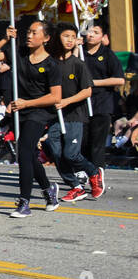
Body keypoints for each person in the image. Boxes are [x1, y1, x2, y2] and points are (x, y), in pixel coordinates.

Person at [0, 19, 62, 218]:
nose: (29, 35)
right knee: (28, 154)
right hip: (20, 110)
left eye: (35, 33)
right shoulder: (18, 54)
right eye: (28, 31)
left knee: (24, 151)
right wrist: (4, 39)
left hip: (39, 111)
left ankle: (24, 201)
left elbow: (55, 97)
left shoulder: (52, 64)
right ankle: (48, 191)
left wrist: (27, 103)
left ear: (46, 38)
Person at [45, 24, 102, 203]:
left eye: (72, 36)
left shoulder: (78, 64)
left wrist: (67, 101)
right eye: (65, 36)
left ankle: (93, 172)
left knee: (71, 154)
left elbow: (87, 91)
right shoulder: (50, 62)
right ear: (57, 38)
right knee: (56, 153)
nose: (69, 40)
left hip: (74, 115)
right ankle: (76, 186)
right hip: (55, 115)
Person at [82, 19, 122, 177]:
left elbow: (119, 79)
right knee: (83, 141)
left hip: (102, 103)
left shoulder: (107, 54)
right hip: (82, 103)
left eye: (95, 33)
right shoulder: (79, 51)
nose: (91, 35)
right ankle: (84, 174)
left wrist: (94, 83)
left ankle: (98, 175)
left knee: (97, 144)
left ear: (103, 36)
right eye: (89, 32)